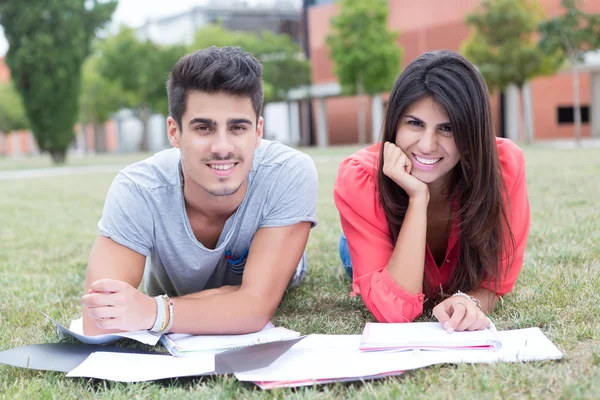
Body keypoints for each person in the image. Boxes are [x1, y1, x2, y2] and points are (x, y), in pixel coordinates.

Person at [81, 46, 318, 336]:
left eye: (237, 128)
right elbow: (99, 319)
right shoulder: (138, 189)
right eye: (204, 128)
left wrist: (152, 311)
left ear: (258, 132)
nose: (222, 147)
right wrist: (236, 299)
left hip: (274, 270)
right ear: (174, 132)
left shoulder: (288, 172)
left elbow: (254, 310)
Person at [334, 50, 530, 333]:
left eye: (447, 128)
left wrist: (467, 300)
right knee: (352, 253)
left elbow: (496, 282)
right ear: (395, 123)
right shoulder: (360, 177)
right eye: (414, 123)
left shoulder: (504, 166)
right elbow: (394, 312)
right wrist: (417, 197)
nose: (427, 145)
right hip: (372, 238)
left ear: (471, 131)